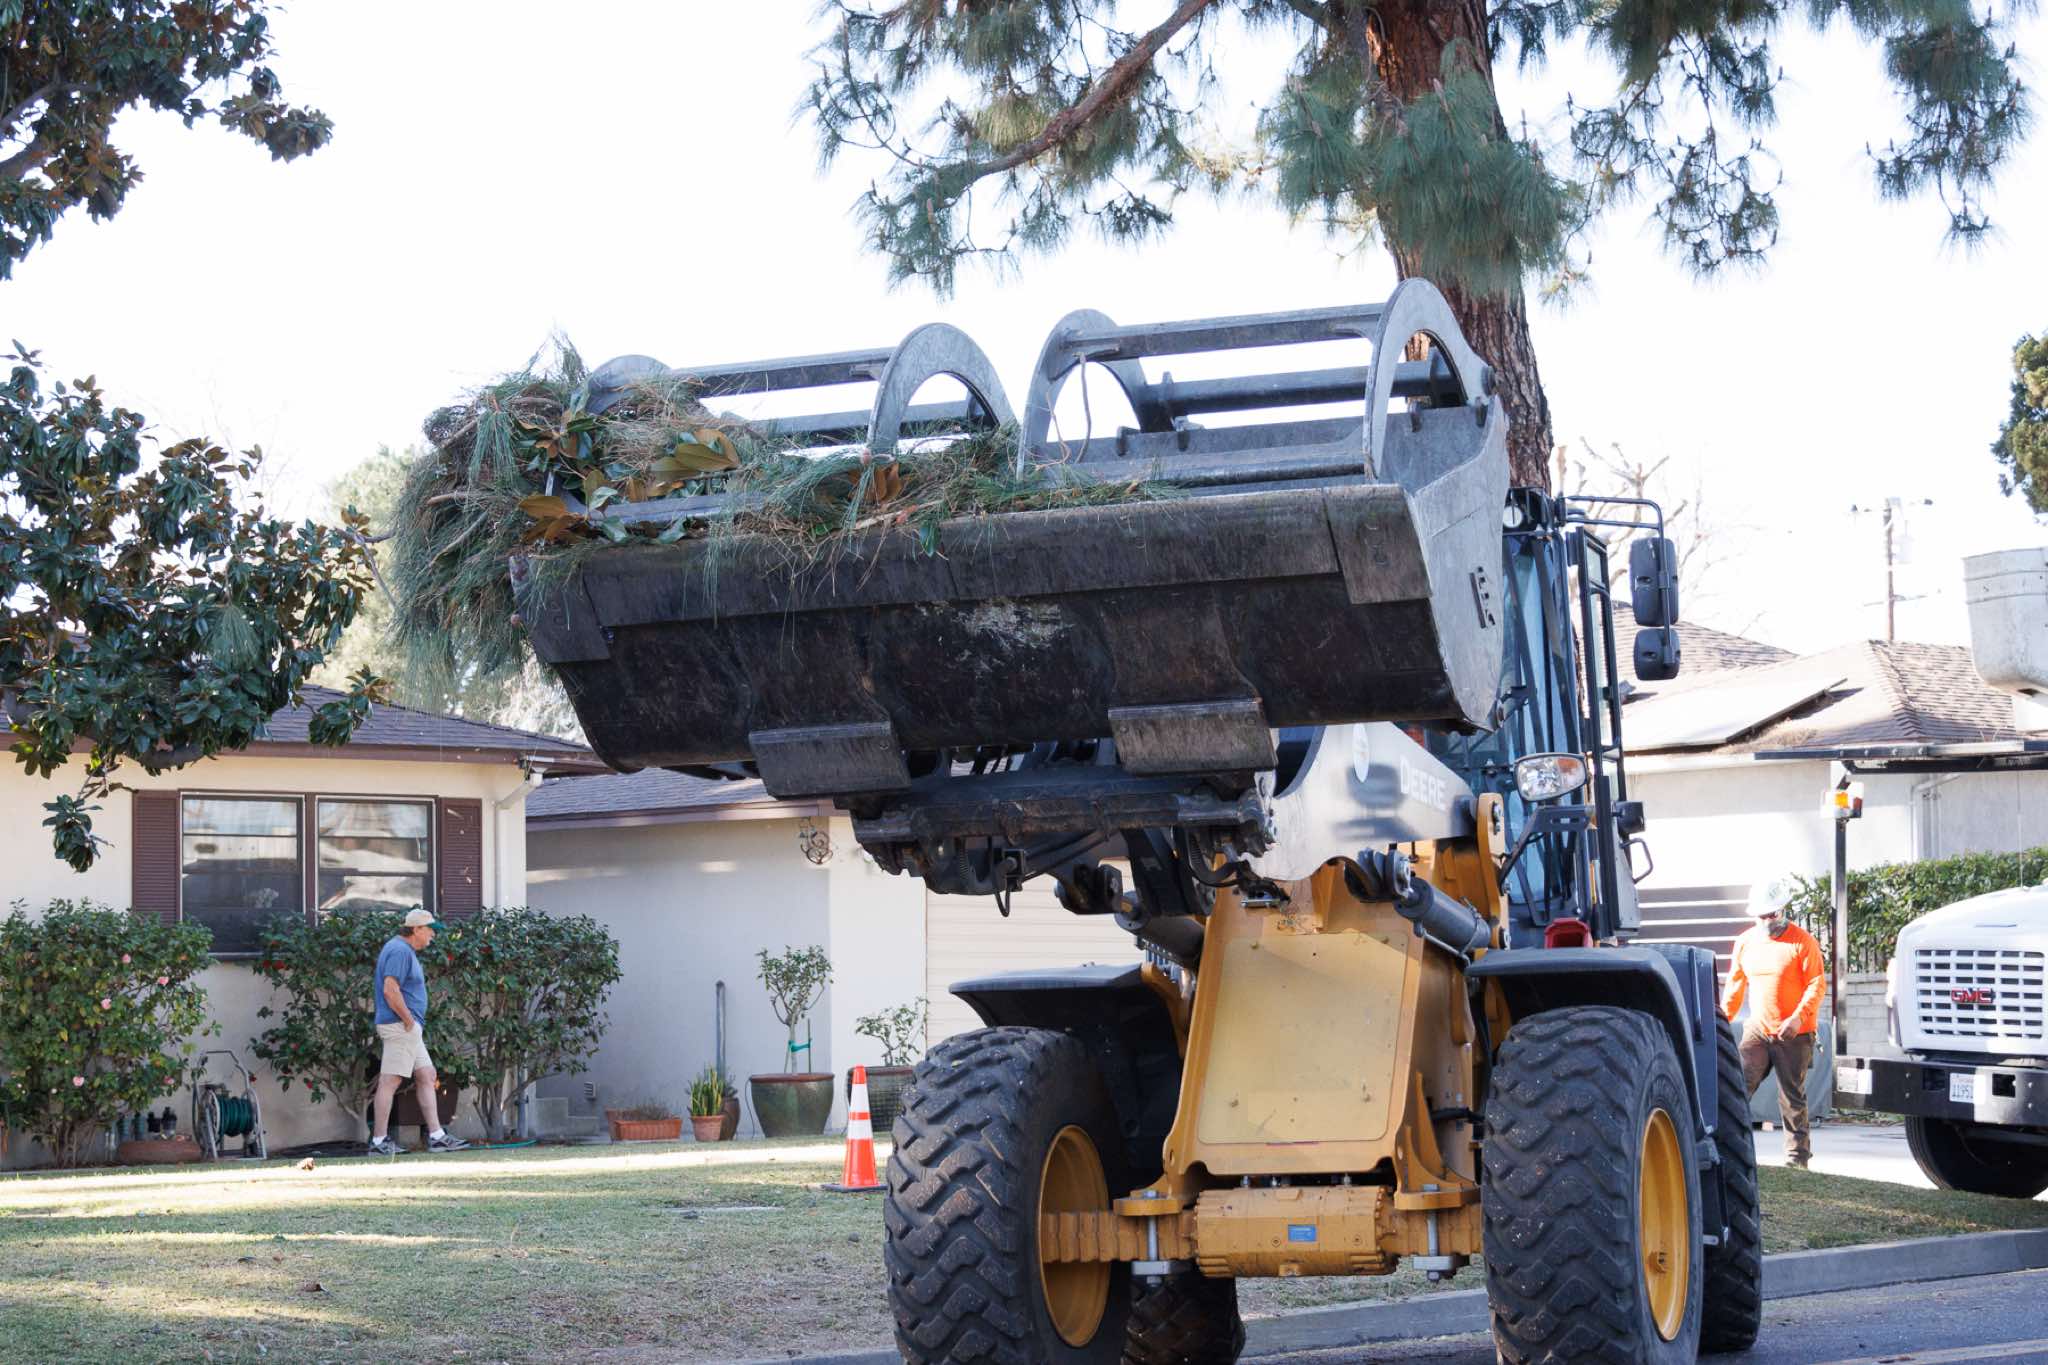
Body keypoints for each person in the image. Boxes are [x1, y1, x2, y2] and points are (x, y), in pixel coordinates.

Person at [1721, 875, 1827, 1169]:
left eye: (1773, 914)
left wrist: (1797, 1018)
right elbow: (1734, 986)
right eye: (1762, 915)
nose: (1768, 920)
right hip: (1758, 1028)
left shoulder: (1803, 942)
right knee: (1738, 1087)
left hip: (1795, 1033)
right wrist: (1721, 1021)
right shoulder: (1745, 943)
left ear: (1783, 910)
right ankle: (1728, 1151)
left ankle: (1797, 1160)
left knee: (1791, 1098)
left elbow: (1817, 985)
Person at [368, 908, 471, 1155]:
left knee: (426, 1074)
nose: (433, 935)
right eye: (430, 930)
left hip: (406, 1027)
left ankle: (436, 1136)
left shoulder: (402, 950)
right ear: (416, 929)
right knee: (390, 1080)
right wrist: (408, 1021)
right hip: (400, 1026)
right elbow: (390, 990)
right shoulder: (400, 951)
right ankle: (379, 1142)